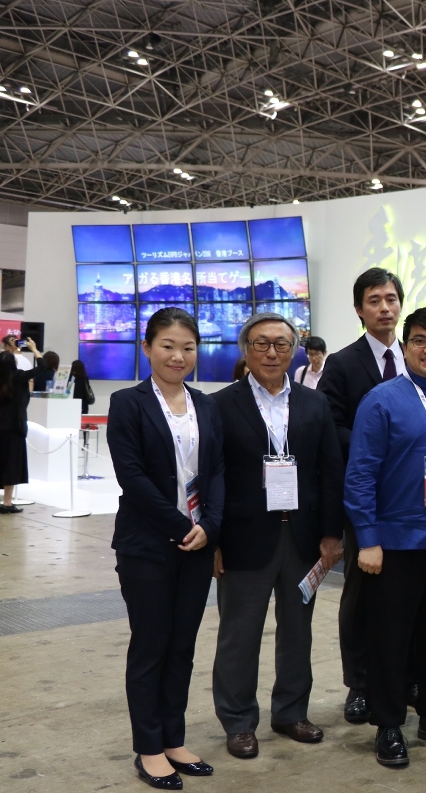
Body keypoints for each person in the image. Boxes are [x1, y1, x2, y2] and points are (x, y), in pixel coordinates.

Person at [344, 306, 426, 768]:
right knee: (390, 639)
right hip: (395, 544)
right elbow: (360, 475)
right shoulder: (380, 400)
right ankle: (388, 723)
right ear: (405, 347)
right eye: (420, 340)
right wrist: (367, 539)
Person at [210, 313, 345, 759]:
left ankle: (290, 712)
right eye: (262, 344)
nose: (272, 353)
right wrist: (214, 540)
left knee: (298, 633)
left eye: (282, 344)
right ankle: (238, 721)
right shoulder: (220, 405)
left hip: (303, 537)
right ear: (245, 350)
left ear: (295, 350)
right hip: (243, 538)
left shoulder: (314, 403)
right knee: (239, 634)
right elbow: (211, 477)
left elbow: (330, 472)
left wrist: (332, 534)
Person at [107, 307, 224, 789]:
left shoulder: (206, 405)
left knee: (182, 647)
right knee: (151, 646)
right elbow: (131, 477)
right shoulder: (127, 403)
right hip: (148, 545)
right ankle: (149, 747)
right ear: (148, 348)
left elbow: (217, 471)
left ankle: (174, 738)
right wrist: (182, 526)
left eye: (188, 347)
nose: (179, 356)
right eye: (168, 346)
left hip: (197, 545)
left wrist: (210, 526)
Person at [316, 267, 406, 725]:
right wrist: (381, 448)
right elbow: (330, 427)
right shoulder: (343, 363)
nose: (384, 308)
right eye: (374, 300)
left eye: (391, 299)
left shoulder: (416, 357)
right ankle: (359, 683)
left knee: (407, 592)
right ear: (359, 309)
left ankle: (402, 679)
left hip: (413, 499)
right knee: (361, 591)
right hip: (366, 496)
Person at [0, 338, 43, 513]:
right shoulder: (18, 377)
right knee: (11, 465)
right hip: (14, 428)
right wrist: (35, 350)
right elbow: (43, 368)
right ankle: (7, 502)